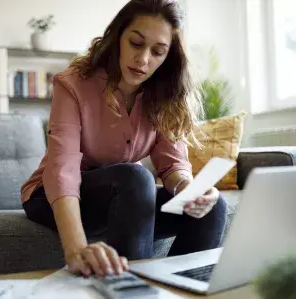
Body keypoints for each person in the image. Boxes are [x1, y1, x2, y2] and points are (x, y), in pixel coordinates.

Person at [21, 0, 227, 278]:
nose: (143, 59)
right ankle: (132, 292)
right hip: (51, 196)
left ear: (169, 56)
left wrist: (190, 193)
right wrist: (77, 250)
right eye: (136, 43)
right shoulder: (74, 83)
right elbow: (63, 169)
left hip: (125, 196)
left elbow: (172, 164)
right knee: (136, 177)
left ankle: (177, 290)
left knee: (214, 207)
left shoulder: (165, 95)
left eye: (158, 51)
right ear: (118, 37)